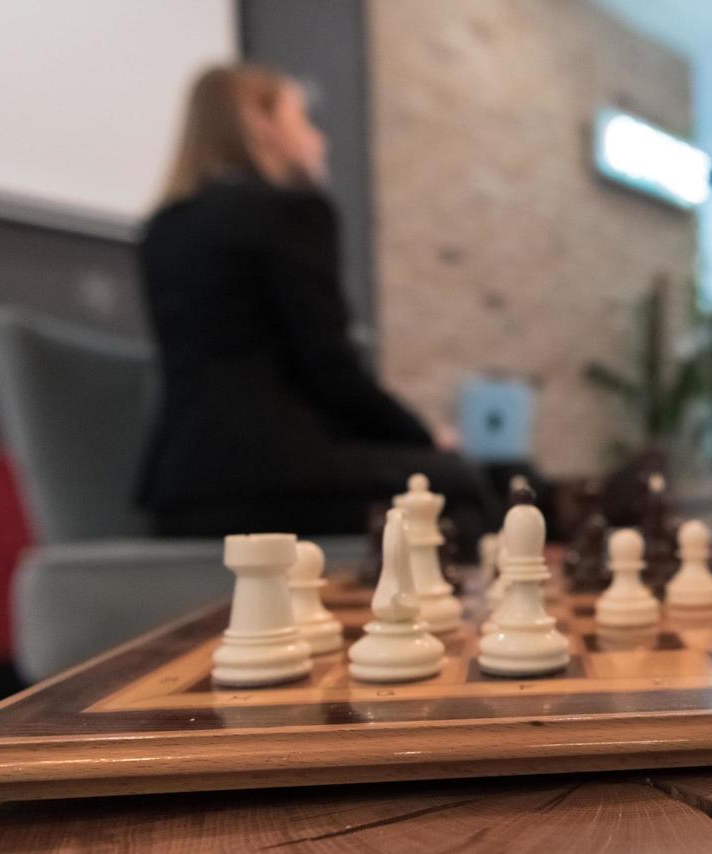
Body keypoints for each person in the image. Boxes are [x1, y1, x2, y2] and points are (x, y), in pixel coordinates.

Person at [139, 65, 498, 547]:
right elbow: (330, 369)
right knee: (460, 486)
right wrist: (424, 437)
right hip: (274, 478)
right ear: (261, 123)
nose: (318, 139)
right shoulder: (290, 211)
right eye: (303, 120)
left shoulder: (161, 229)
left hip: (182, 494)